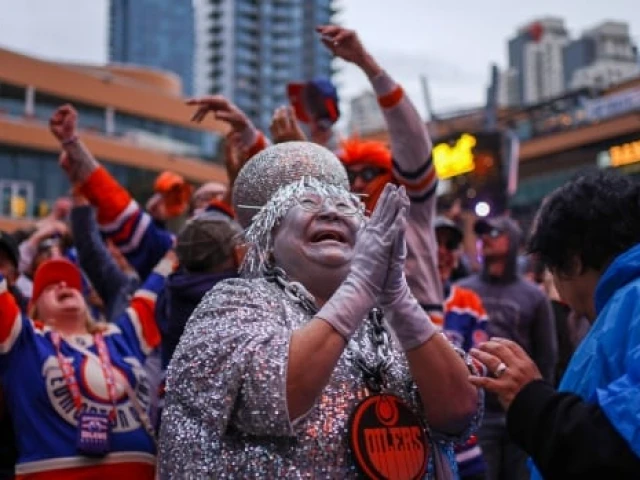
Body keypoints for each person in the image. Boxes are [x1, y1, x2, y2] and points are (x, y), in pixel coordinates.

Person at [160, 142, 482, 479]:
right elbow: (273, 397)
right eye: (308, 203)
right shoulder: (232, 302)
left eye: (345, 205)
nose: (331, 212)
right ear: (269, 244)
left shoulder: (388, 320)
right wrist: (360, 286)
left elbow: (458, 413)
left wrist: (397, 296)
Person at [469, 170, 640, 479]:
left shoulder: (632, 302)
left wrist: (534, 401)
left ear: (573, 262)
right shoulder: (618, 308)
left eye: (552, 268)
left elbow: (623, 441)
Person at [0, 251, 174, 479]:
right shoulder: (24, 340)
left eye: (72, 283)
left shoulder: (119, 336)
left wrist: (173, 256)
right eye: (49, 286)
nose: (64, 284)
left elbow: (152, 293)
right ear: (34, 307)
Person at [457, 215, 557, 480]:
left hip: (519, 410)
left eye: (494, 232)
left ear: (511, 241)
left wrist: (538, 409)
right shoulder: (461, 291)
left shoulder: (533, 296)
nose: (485, 238)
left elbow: (547, 356)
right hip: (477, 413)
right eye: (482, 234)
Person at [434, 217, 488, 479]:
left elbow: (479, 370)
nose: (442, 251)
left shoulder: (468, 302)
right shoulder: (391, 301)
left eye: (450, 244)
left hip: (464, 445)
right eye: (435, 242)